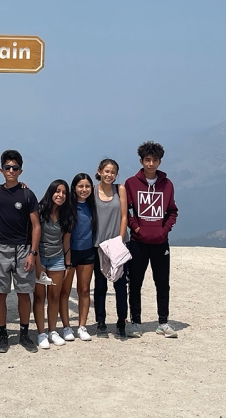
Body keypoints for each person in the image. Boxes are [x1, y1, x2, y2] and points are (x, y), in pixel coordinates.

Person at [0, 150, 41, 353]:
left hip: (23, 249)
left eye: (15, 168)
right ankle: (2, 335)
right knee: (0, 293)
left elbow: (36, 226)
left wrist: (33, 253)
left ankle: (24, 334)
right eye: (8, 167)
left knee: (24, 293)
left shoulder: (27, 194)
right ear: (1, 170)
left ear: (21, 170)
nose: (11, 171)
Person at [125, 141, 179, 338]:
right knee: (136, 283)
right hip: (138, 243)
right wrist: (136, 227)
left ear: (159, 161)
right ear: (141, 161)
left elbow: (172, 211)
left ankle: (163, 322)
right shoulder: (131, 183)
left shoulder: (167, 184)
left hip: (160, 242)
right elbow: (127, 210)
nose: (151, 164)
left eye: (154, 160)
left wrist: (164, 230)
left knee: (162, 283)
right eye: (147, 160)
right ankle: (135, 323)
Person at [33, 180, 74, 349]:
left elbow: (66, 242)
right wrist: (37, 263)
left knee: (54, 296)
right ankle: (41, 333)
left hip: (57, 258)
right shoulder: (40, 211)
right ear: (50, 192)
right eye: (57, 191)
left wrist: (68, 264)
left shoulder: (67, 215)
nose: (61, 195)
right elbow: (33, 239)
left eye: (64, 192)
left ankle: (52, 330)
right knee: (39, 297)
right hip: (40, 257)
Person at [93, 158, 129, 338]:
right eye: (106, 171)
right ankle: (100, 322)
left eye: (113, 172)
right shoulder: (91, 191)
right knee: (100, 286)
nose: (109, 175)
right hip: (98, 245)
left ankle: (121, 321)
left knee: (121, 285)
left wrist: (120, 241)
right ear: (99, 171)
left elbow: (124, 216)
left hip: (117, 244)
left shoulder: (120, 189)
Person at [60, 173, 96, 342]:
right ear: (74, 188)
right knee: (65, 291)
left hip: (88, 252)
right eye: (80, 186)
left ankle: (82, 326)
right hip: (69, 253)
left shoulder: (94, 205)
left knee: (84, 290)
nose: (84, 190)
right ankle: (67, 327)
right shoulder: (67, 207)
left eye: (87, 186)